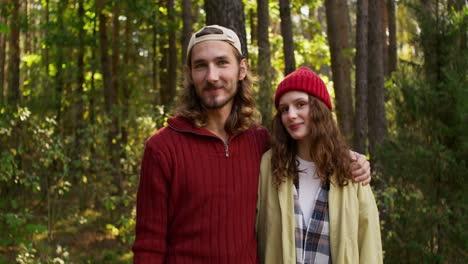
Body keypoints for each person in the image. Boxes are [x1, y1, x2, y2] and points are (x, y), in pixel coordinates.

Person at [132, 25, 371, 263]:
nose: (212, 76)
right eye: (201, 65)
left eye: (222, 62)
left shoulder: (260, 142)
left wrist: (352, 159)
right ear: (190, 75)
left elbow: (308, 150)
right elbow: (148, 246)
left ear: (241, 69)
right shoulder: (162, 148)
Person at [256, 66, 383, 264]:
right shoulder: (270, 165)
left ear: (319, 109)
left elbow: (369, 243)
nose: (291, 115)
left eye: (300, 104)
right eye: (284, 109)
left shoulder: (350, 169)